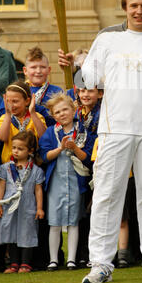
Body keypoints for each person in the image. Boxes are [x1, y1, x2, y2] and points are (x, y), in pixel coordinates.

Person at [58, 0, 142, 283]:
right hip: (114, 129)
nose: (139, 11)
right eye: (133, 6)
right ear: (125, 8)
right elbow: (88, 80)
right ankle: (100, 264)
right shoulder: (106, 39)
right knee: (106, 194)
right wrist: (72, 67)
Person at [38, 92, 100, 272]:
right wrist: (60, 148)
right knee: (54, 222)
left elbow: (88, 158)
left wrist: (74, 148)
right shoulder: (51, 132)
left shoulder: (83, 131)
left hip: (76, 183)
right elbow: (44, 156)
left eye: (65, 109)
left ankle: (72, 259)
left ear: (74, 110)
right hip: (56, 183)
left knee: (74, 221)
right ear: (53, 115)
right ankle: (53, 260)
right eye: (57, 112)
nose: (62, 114)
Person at [0, 130, 45, 273]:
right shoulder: (6, 168)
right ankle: (13, 263)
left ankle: (25, 263)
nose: (16, 151)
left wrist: (39, 208)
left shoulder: (35, 170)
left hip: (28, 206)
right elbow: (1, 186)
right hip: (10, 206)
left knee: (27, 231)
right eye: (14, 147)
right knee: (11, 232)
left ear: (30, 151)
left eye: (20, 148)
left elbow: (38, 190)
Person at [0, 81, 46, 163]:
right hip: (10, 165)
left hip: (33, 165)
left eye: (15, 101)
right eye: (8, 101)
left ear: (27, 101)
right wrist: (8, 114)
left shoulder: (36, 117)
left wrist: (33, 113)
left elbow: (43, 136)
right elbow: (3, 138)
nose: (11, 105)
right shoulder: (4, 118)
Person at [23, 46, 63, 126]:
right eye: (33, 67)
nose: (38, 71)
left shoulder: (57, 92)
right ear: (25, 71)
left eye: (43, 67)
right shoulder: (19, 91)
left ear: (49, 70)